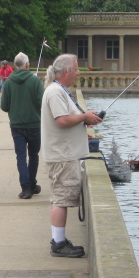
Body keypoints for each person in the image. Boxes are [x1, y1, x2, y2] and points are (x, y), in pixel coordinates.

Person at [41, 54, 102, 258]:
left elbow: (68, 117)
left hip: (64, 154)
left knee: (61, 197)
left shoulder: (59, 91)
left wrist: (85, 118)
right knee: (60, 198)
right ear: (66, 71)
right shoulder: (55, 92)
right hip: (62, 155)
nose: (78, 73)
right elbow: (62, 120)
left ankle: (59, 240)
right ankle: (58, 243)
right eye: (76, 69)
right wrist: (84, 116)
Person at [0, 52, 44, 200]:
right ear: (27, 65)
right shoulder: (35, 81)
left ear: (14, 66)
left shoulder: (9, 82)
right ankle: (32, 184)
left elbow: (4, 106)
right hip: (34, 123)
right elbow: (41, 102)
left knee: (20, 156)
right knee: (33, 155)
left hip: (16, 124)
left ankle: (25, 188)